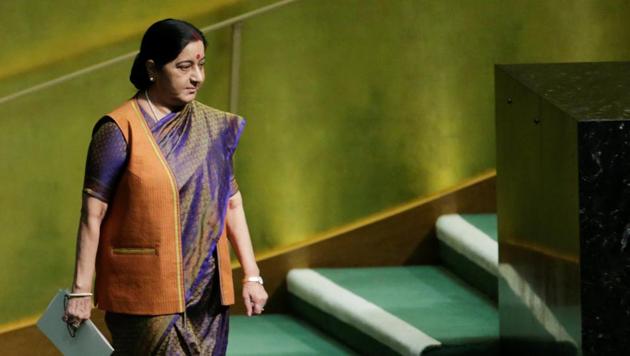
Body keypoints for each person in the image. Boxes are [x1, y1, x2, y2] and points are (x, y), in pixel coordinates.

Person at [62, 18, 268, 355]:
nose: (197, 77)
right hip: (146, 294)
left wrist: (252, 275)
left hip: (206, 290)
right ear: (153, 69)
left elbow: (231, 201)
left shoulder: (212, 127)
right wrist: (81, 291)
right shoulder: (118, 129)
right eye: (184, 66)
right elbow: (92, 214)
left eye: (201, 65)